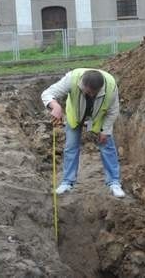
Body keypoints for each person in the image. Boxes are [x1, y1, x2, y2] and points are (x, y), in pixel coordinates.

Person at [41, 69, 126, 198]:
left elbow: (113, 111)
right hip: (75, 114)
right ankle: (67, 182)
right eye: (87, 92)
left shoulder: (110, 86)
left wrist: (105, 130)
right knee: (71, 147)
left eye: (93, 93)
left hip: (98, 117)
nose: (89, 95)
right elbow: (47, 93)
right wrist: (55, 106)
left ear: (99, 89)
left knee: (107, 146)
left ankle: (114, 182)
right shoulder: (72, 79)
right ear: (82, 84)